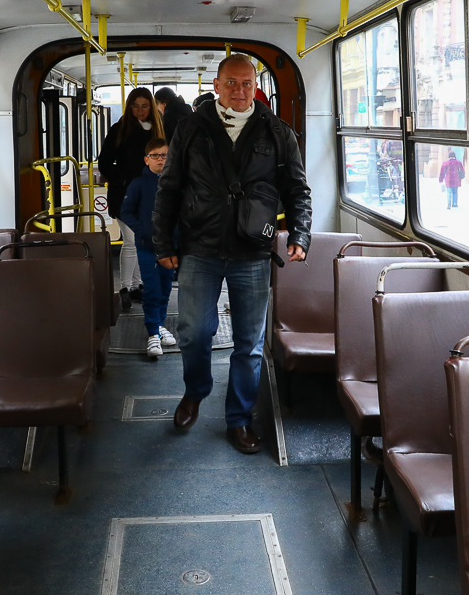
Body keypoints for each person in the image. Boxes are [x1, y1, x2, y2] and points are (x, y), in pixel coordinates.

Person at [152, 54, 312, 454]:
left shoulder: (277, 131)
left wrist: (301, 233)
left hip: (253, 251)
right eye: (231, 83)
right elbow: (169, 189)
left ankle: (238, 418)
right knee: (193, 331)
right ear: (217, 85)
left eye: (246, 83)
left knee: (249, 342)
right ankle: (196, 391)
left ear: (254, 85)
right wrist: (162, 243)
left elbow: (297, 189)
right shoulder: (191, 128)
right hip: (200, 247)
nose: (239, 91)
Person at [97, 87, 165, 309]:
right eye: (135, 106)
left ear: (152, 108)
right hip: (124, 195)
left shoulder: (158, 129)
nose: (140, 110)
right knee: (131, 241)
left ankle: (136, 285)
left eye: (145, 106)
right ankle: (125, 287)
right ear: (129, 107)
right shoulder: (120, 129)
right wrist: (123, 180)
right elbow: (105, 161)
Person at [119, 138, 179, 357]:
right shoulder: (138, 184)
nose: (160, 160)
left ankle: (160, 325)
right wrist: (142, 229)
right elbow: (126, 211)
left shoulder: (177, 183)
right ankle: (153, 333)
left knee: (165, 289)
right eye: (155, 156)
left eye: (164, 155)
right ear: (146, 160)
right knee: (152, 290)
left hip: (170, 247)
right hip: (146, 246)